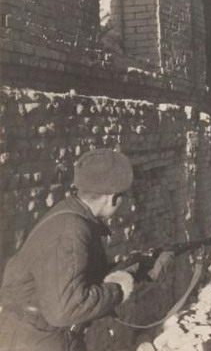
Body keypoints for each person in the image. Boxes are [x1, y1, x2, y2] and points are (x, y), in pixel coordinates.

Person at [0, 148, 173, 351]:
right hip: (35, 341)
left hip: (42, 335)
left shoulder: (73, 217)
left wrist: (137, 270)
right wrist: (118, 289)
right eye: (125, 196)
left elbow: (77, 279)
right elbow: (65, 310)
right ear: (112, 198)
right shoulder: (71, 230)